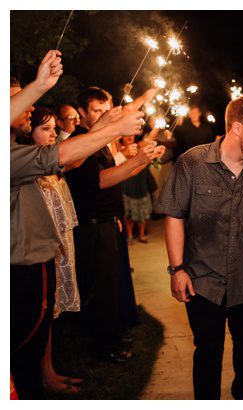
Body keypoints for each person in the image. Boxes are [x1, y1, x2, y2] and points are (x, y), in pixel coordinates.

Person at [10, 49, 144, 399]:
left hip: (40, 255)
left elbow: (71, 154)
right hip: (23, 261)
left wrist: (107, 127)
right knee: (23, 346)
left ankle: (43, 378)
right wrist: (114, 129)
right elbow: (67, 156)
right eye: (15, 98)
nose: (26, 105)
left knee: (36, 337)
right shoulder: (9, 154)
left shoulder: (14, 146)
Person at [156, 95, 243, 400]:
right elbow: (174, 215)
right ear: (237, 128)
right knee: (208, 350)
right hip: (202, 278)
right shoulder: (192, 163)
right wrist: (177, 269)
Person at [65, 85, 164, 364]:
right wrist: (136, 160)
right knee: (100, 290)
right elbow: (101, 181)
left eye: (105, 109)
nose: (103, 115)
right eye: (96, 110)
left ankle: (112, 336)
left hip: (107, 222)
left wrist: (142, 161)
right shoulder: (81, 141)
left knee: (111, 286)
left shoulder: (100, 141)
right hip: (91, 226)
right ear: (82, 113)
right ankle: (104, 346)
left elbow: (115, 178)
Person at [15, 106, 85, 395]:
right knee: (38, 318)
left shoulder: (46, 162)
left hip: (56, 247)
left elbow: (75, 157)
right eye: (46, 128)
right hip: (34, 253)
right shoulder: (26, 165)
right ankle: (37, 380)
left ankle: (49, 371)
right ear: (30, 135)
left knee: (47, 318)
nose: (53, 132)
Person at [118, 133, 158, 244]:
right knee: (128, 212)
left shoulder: (139, 147)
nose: (129, 137)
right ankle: (129, 235)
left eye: (131, 135)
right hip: (127, 182)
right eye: (126, 135)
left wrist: (156, 125)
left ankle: (142, 234)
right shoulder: (119, 150)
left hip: (141, 181)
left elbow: (150, 138)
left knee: (143, 210)